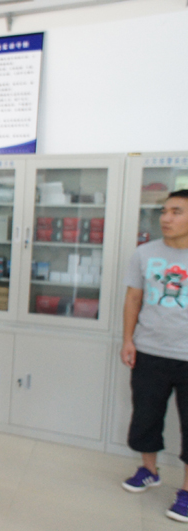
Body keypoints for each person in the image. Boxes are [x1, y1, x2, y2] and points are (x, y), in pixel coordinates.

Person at [121, 189, 188, 523]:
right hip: (150, 350)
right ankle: (149, 470)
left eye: (176, 212)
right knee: (146, 415)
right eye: (164, 211)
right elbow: (133, 298)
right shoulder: (145, 253)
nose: (166, 218)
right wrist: (128, 340)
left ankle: (187, 491)